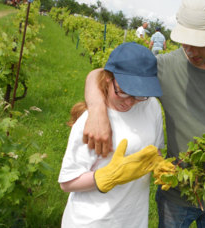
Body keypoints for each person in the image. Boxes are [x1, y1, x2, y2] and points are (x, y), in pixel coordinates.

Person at [83, 0, 205, 227]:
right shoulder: (164, 66)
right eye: (185, 42)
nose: (190, 51)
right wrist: (96, 111)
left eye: (198, 43)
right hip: (175, 192)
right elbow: (99, 74)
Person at [58, 42, 168, 228]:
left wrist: (158, 164)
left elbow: (154, 150)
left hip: (133, 220)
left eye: (139, 94)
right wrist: (107, 176)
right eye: (123, 92)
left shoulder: (151, 107)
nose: (130, 102)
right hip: (93, 222)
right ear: (108, 79)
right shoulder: (91, 121)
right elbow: (67, 182)